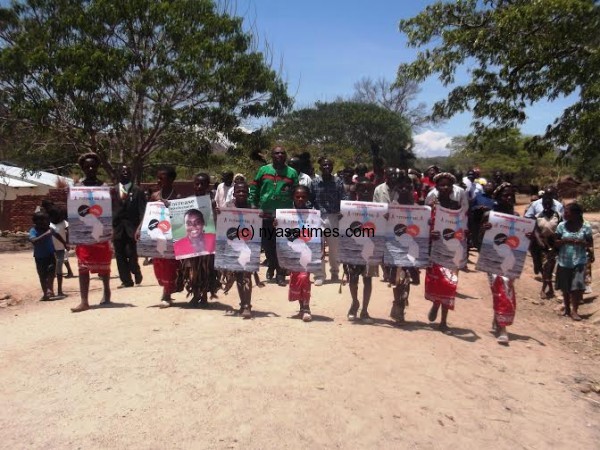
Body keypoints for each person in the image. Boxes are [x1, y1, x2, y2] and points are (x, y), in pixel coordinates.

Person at [481, 183, 531, 344]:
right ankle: (503, 327)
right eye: (505, 196)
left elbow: (522, 242)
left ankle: (498, 318)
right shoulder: (489, 215)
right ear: (497, 198)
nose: (508, 198)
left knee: (507, 288)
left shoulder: (518, 217)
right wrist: (484, 229)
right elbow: (476, 240)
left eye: (511, 195)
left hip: (512, 258)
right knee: (501, 286)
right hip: (493, 257)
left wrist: (527, 237)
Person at [424, 172, 468, 331]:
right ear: (436, 186)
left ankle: (443, 321)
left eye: (448, 185)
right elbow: (423, 221)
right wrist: (430, 231)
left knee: (450, 283)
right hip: (435, 248)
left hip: (453, 249)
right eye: (441, 185)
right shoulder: (432, 204)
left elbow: (463, 227)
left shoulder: (457, 207)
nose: (444, 187)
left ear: (452, 187)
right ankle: (436, 303)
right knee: (436, 281)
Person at [249, 146, 298, 286]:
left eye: (282, 153)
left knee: (282, 245)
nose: (279, 155)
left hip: (284, 216)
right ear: (272, 155)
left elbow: (296, 192)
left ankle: (281, 274)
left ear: (286, 156)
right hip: (265, 214)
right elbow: (254, 187)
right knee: (268, 245)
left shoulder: (292, 173)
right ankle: (271, 264)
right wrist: (253, 203)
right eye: (277, 153)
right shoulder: (263, 170)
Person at [70, 153, 112, 313]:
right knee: (83, 265)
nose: (90, 168)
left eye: (93, 166)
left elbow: (108, 210)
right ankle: (84, 301)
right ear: (82, 168)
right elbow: (73, 211)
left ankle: (106, 290)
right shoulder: (76, 188)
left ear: (97, 167)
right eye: (87, 166)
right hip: (83, 232)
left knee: (104, 265)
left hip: (101, 231)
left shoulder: (103, 186)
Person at [142, 166, 183, 308]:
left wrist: (171, 207)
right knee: (158, 265)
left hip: (171, 238)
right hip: (157, 236)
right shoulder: (154, 196)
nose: (158, 180)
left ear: (171, 180)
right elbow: (148, 215)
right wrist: (139, 228)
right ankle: (166, 289)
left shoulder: (177, 197)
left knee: (170, 266)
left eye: (162, 178)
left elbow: (180, 218)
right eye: (158, 177)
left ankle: (167, 294)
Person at [180, 173, 220, 306]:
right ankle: (195, 294)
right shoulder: (187, 201)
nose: (199, 186)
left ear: (207, 185)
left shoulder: (212, 202)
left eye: (202, 184)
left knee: (205, 269)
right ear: (193, 185)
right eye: (197, 183)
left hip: (206, 242)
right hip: (191, 242)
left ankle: (203, 296)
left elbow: (215, 220)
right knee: (192, 269)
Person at [385, 170, 419, 325]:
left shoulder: (419, 209)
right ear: (397, 189)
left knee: (407, 279)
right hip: (395, 249)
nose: (404, 190)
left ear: (412, 189)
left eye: (408, 187)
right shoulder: (392, 207)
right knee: (398, 279)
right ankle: (398, 304)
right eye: (401, 187)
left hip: (411, 249)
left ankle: (400, 307)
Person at [343, 178, 378, 323]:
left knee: (368, 279)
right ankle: (355, 302)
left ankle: (364, 309)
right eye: (362, 189)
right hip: (353, 249)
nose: (365, 192)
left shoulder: (379, 210)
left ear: (372, 191)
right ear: (356, 191)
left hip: (370, 250)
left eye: (368, 189)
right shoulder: (349, 209)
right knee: (353, 279)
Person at [555, 203, 594, 321]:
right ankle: (567, 309)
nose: (564, 214)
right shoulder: (561, 226)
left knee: (576, 286)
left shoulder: (585, 227)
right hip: (564, 261)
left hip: (579, 261)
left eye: (567, 212)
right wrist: (564, 241)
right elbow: (555, 241)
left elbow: (590, 243)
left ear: (576, 214)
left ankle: (575, 311)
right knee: (565, 287)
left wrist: (581, 243)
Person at [310, 158, 347, 285]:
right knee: (318, 247)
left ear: (332, 167)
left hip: (334, 217)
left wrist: (343, 212)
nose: (326, 167)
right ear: (320, 167)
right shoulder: (314, 182)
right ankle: (319, 275)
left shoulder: (338, 182)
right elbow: (309, 199)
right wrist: (312, 213)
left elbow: (344, 198)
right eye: (324, 165)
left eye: (329, 165)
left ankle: (335, 272)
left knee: (334, 248)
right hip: (318, 217)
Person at [112, 164, 146, 288]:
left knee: (131, 254)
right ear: (118, 174)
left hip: (132, 228)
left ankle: (136, 272)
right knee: (119, 255)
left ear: (131, 174)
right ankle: (126, 280)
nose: (125, 173)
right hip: (117, 228)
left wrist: (140, 227)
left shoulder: (138, 190)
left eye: (127, 171)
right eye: (122, 171)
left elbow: (143, 210)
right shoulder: (113, 191)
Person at [286, 185, 315, 322]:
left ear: (307, 198)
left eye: (303, 196)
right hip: (293, 250)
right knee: (296, 278)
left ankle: (306, 307)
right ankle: (301, 307)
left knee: (305, 277)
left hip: (307, 251)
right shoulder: (286, 214)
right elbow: (283, 234)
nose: (300, 199)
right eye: (297, 196)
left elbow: (317, 233)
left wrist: (319, 250)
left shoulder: (313, 213)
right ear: (293, 197)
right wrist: (276, 223)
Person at [534, 196, 561, 299]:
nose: (547, 204)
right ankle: (547, 290)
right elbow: (535, 230)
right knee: (545, 268)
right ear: (542, 204)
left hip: (555, 245)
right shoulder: (538, 216)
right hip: (542, 245)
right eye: (545, 202)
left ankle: (546, 290)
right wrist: (540, 241)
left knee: (549, 267)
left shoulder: (557, 216)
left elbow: (561, 228)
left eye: (549, 202)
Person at [29, 211, 59, 301]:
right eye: (42, 222)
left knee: (51, 272)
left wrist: (65, 243)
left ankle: (49, 288)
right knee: (42, 275)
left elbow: (56, 235)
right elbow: (33, 241)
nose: (45, 223)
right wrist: (45, 235)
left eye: (46, 221)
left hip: (50, 254)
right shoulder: (33, 230)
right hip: (40, 257)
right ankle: (45, 293)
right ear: (36, 222)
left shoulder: (49, 229)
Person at [48, 207, 70, 297]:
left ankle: (60, 290)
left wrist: (67, 243)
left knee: (59, 270)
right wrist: (65, 243)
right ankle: (51, 290)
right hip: (51, 249)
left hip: (61, 249)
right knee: (51, 271)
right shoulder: (49, 224)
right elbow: (54, 234)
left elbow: (68, 232)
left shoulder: (64, 223)